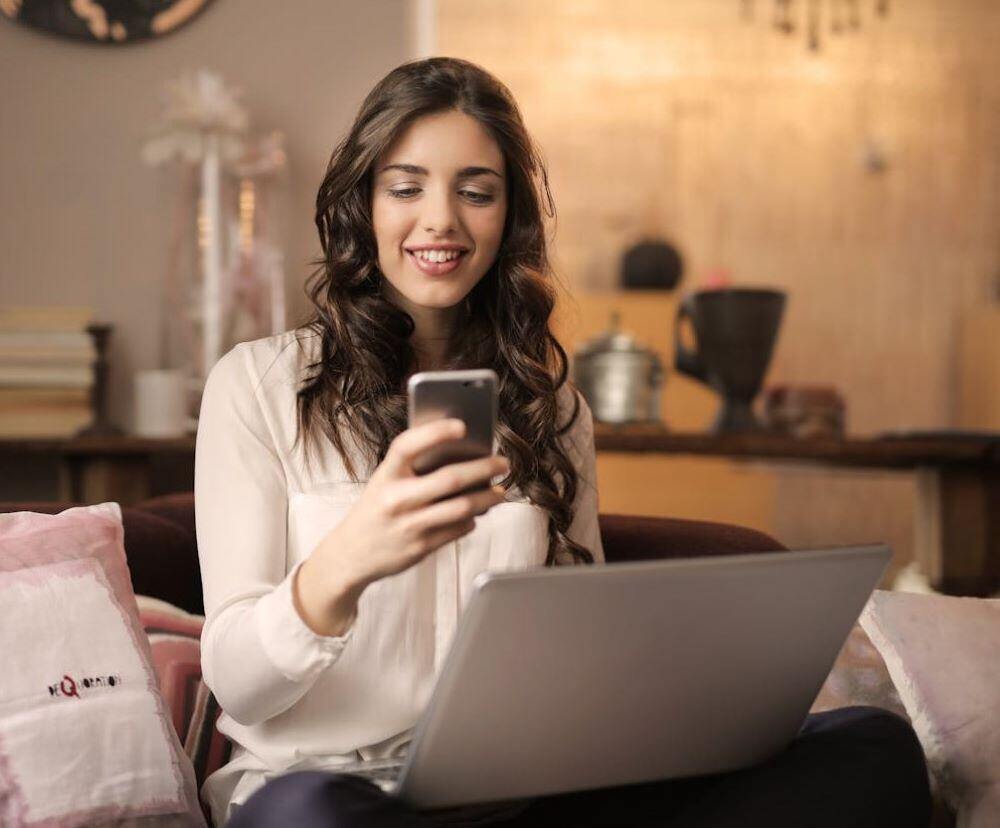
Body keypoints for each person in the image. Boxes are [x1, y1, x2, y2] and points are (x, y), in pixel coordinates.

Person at [195, 57, 931, 827]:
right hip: (332, 791)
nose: (441, 220)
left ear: (507, 217)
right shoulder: (260, 387)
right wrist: (348, 561)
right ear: (363, 206)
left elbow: (579, 651)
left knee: (872, 750)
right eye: (406, 188)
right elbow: (239, 682)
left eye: (475, 192)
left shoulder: (554, 411)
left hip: (516, 797)